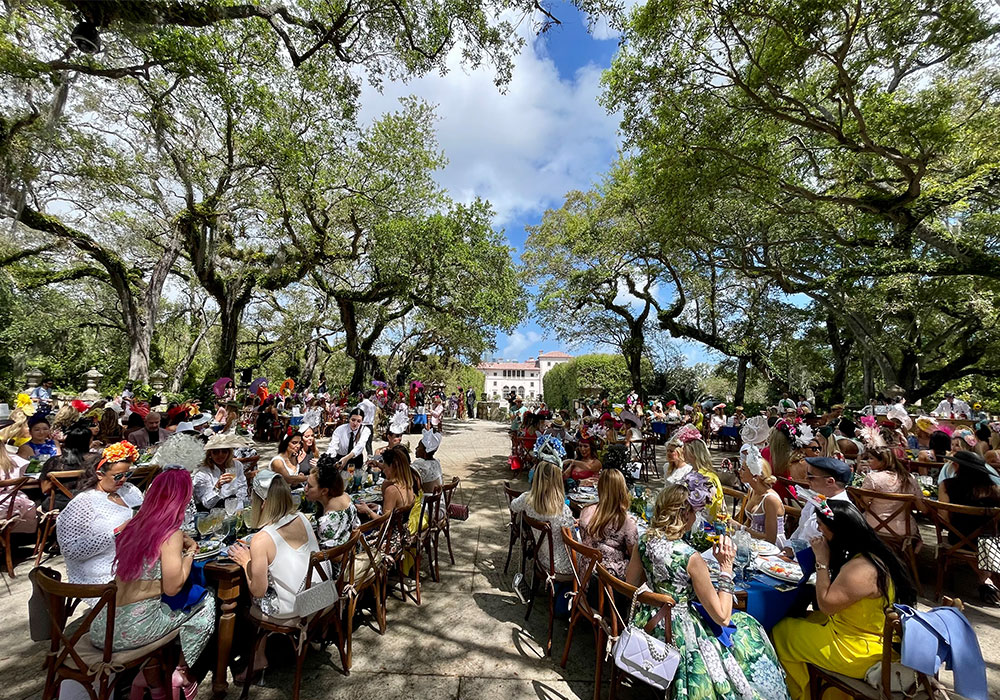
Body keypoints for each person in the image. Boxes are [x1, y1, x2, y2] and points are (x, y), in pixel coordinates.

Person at [625, 482, 789, 700]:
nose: (696, 518)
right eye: (694, 512)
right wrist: (726, 568)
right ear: (685, 515)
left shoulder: (645, 540)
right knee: (749, 628)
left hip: (648, 620)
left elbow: (630, 582)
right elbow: (722, 616)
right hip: (678, 632)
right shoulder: (690, 557)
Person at [773, 500, 918, 700]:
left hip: (858, 649)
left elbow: (826, 605)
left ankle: (800, 695)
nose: (819, 533)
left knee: (781, 630)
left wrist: (821, 560)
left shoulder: (861, 568)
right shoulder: (875, 553)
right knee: (804, 617)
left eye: (822, 529)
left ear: (838, 532)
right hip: (863, 634)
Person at [90, 467, 214, 698]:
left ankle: (150, 678)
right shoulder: (170, 534)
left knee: (166, 606)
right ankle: (182, 671)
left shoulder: (131, 525)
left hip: (102, 628)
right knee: (206, 602)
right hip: (134, 631)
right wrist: (190, 553)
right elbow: (173, 586)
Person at [227, 470, 322, 675]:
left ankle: (257, 657)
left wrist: (246, 563)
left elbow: (258, 591)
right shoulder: (301, 518)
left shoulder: (262, 538)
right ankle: (271, 650)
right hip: (320, 597)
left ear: (262, 503)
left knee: (247, 603)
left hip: (298, 609)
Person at [56, 441, 144, 587]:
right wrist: (116, 532)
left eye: (127, 474)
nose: (123, 479)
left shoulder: (130, 490)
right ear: (99, 475)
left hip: (137, 560)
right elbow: (70, 550)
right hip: (103, 572)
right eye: (117, 476)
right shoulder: (84, 502)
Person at [938, 451, 1000, 604]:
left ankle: (986, 581)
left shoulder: (947, 485)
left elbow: (943, 518)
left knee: (971, 539)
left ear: (957, 466)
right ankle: (987, 581)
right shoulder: (994, 489)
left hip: (958, 539)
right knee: (986, 540)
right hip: (990, 542)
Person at [509, 461, 574, 575]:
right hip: (562, 564)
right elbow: (571, 539)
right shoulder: (562, 509)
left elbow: (513, 506)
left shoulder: (527, 499)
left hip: (542, 554)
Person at [784, 456, 852, 553]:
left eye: (810, 477)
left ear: (830, 481)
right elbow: (801, 529)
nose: (806, 479)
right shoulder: (816, 499)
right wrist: (788, 547)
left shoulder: (841, 512)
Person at [578, 468, 637, 578]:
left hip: (586, 572)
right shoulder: (625, 521)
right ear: (622, 490)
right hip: (608, 579)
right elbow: (634, 554)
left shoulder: (586, 511)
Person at [860, 447, 922, 537]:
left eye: (871, 458)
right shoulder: (909, 478)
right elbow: (922, 508)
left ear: (882, 461)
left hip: (873, 524)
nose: (868, 461)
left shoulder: (872, 478)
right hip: (904, 528)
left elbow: (863, 504)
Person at [305, 455, 359, 549]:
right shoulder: (346, 496)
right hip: (354, 550)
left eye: (309, 486)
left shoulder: (325, 523)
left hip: (340, 560)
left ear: (324, 491)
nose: (305, 489)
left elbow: (325, 554)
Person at [737, 446, 785, 545]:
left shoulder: (770, 499)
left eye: (743, 469)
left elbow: (770, 538)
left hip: (772, 547)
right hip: (754, 542)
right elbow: (749, 523)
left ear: (755, 476)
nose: (739, 471)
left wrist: (741, 528)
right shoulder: (752, 491)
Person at [193, 433, 250, 511]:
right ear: (210, 454)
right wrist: (217, 487)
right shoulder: (203, 473)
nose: (220, 455)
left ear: (229, 453)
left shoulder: (236, 465)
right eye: (215, 452)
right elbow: (207, 504)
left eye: (224, 451)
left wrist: (238, 507)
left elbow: (242, 488)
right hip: (212, 511)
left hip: (234, 506)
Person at [0, 442, 38, 534]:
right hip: (14, 504)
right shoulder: (12, 459)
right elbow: (37, 468)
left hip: (6, 505)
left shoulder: (12, 459)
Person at [326, 408, 370, 475]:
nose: (355, 423)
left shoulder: (365, 430)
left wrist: (347, 458)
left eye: (358, 421)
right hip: (340, 459)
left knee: (354, 479)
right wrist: (329, 458)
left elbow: (360, 446)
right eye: (353, 420)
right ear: (349, 418)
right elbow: (333, 446)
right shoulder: (340, 430)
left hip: (356, 459)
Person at [357, 391, 377, 457]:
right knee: (369, 444)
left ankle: (358, 459)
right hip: (370, 425)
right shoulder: (373, 406)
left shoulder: (360, 405)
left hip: (362, 425)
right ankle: (370, 459)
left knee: (359, 443)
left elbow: (358, 415)